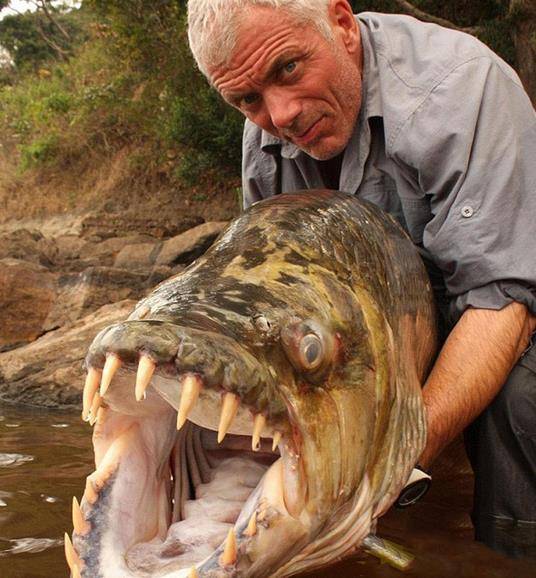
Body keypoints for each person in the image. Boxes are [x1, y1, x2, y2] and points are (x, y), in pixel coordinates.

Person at [186, 0, 536, 558]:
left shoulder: (461, 89)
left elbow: (504, 301)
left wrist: (391, 460)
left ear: (342, 25)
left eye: (289, 70)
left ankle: (510, 552)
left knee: (519, 397)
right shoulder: (264, 139)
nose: (280, 116)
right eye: (247, 100)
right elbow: (273, 296)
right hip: (383, 322)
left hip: (502, 297)